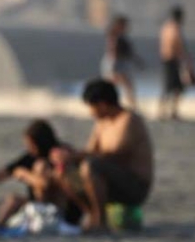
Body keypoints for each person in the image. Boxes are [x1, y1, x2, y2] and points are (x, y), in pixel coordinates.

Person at [52, 79, 153, 231]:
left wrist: (76, 157)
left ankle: (100, 220)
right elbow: (90, 150)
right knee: (64, 172)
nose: (91, 112)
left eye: (91, 107)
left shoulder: (129, 120)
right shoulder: (102, 123)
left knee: (91, 166)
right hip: (105, 180)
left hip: (134, 185)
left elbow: (116, 154)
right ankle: (93, 215)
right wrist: (66, 156)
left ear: (103, 104)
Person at [0, 119, 82, 228]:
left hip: (61, 208)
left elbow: (45, 184)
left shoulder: (59, 154)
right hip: (40, 205)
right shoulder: (31, 157)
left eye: (30, 144)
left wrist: (25, 175)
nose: (29, 148)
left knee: (40, 167)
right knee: (13, 200)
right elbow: (1, 174)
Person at [158, 6, 195, 120]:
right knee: (173, 87)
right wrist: (187, 61)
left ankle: (168, 111)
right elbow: (179, 46)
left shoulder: (166, 27)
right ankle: (167, 111)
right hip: (172, 61)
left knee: (171, 87)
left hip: (167, 60)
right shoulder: (175, 28)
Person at [100, 16, 144, 109]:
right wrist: (113, 66)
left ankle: (130, 104)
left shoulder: (118, 36)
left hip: (118, 63)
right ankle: (130, 105)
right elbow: (113, 52)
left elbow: (129, 53)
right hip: (116, 64)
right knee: (123, 85)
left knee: (123, 85)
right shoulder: (115, 37)